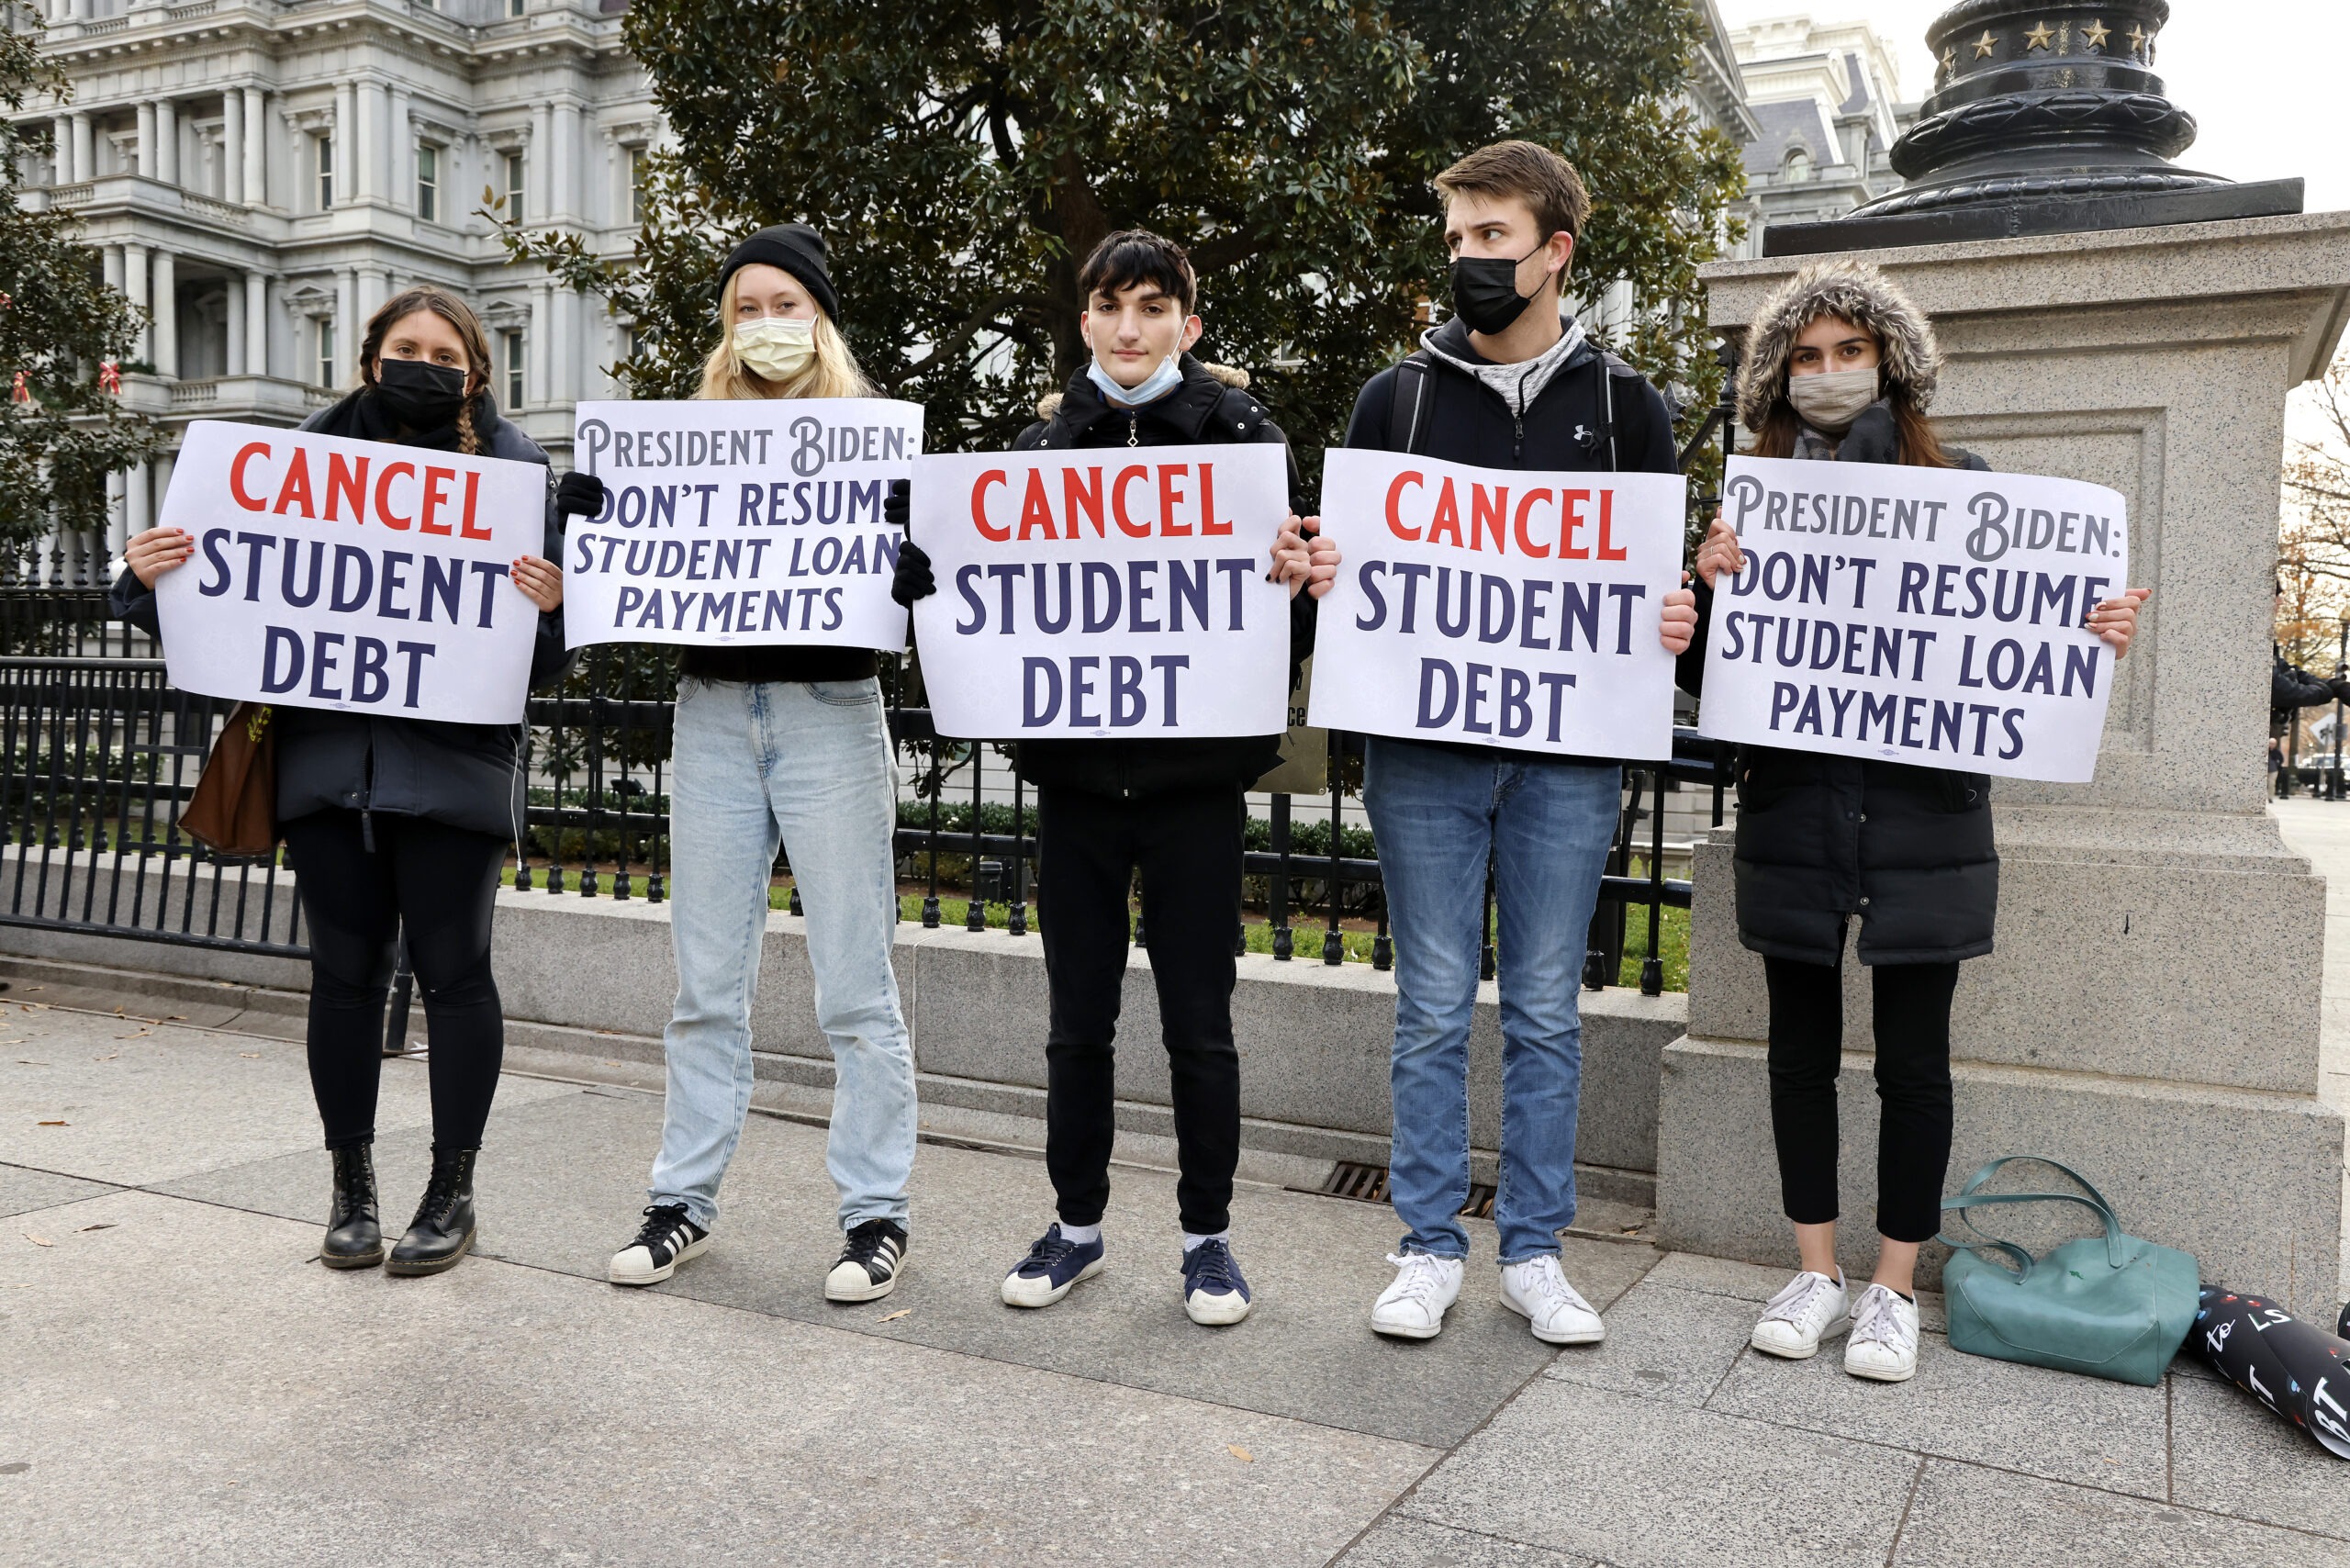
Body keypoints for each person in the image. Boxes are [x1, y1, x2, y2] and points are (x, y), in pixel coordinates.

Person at [1681, 256, 2148, 1383]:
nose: (1830, 373)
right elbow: (1715, 683)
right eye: (1805, 356)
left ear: (1890, 362)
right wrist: (1704, 598)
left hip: (1922, 822)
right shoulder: (1750, 502)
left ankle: (1890, 1284)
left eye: (1850, 351)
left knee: (1913, 1062)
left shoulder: (1968, 486)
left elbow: (2014, 640)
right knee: (1796, 1051)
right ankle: (1813, 1268)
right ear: (1776, 378)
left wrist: (2092, 630)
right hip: (1796, 809)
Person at [113, 284, 596, 1274]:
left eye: (446, 352)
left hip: (455, 770)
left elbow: (542, 665)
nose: (427, 364)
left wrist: (553, 609)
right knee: (342, 979)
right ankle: (352, 1191)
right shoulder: (280, 469)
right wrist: (144, 578)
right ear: (370, 358)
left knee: (457, 974)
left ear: (475, 371)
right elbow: (227, 621)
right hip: (328, 765)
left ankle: (451, 1193)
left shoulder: (514, 475)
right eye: (407, 346)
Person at [890, 230, 1326, 1326]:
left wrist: (1300, 577)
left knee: (1200, 1025)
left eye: (1152, 306)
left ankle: (1206, 1239)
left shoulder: (1244, 437)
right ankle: (1075, 1225)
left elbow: (1290, 616)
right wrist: (926, 582)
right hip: (1079, 786)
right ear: (1084, 320)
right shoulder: (1036, 445)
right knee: (1076, 1022)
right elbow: (983, 599)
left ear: (1188, 319)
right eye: (1111, 307)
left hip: (1195, 791)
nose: (1130, 328)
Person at [1337, 140, 1698, 1346]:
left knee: (1546, 1007)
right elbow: (1350, 591)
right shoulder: (1397, 400)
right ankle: (1428, 1246)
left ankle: (1536, 1253)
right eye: (1456, 239)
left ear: (1556, 252)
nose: (1468, 260)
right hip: (1426, 753)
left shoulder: (1624, 407)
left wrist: (1676, 620)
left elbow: (1653, 595)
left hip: (1566, 755)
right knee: (1432, 1007)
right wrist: (1316, 571)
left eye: (1492, 238)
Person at [600, 225, 923, 1305]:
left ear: (820, 320)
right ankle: (680, 1200)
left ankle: (875, 1216)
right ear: (724, 328)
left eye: (788, 305)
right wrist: (597, 534)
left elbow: (935, 592)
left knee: (855, 987)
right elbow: (633, 571)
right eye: (747, 308)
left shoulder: (879, 444)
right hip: (713, 715)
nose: (767, 326)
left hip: (831, 713)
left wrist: (918, 559)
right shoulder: (684, 443)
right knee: (703, 985)